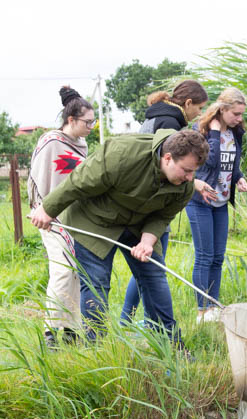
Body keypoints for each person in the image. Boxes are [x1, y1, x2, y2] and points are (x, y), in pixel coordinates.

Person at [29, 129, 209, 348]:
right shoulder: (124, 153)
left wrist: (147, 242)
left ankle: (169, 344)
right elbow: (78, 181)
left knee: (154, 277)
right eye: (186, 170)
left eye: (193, 173)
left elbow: (163, 216)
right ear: (168, 158)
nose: (190, 178)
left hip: (137, 225)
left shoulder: (184, 186)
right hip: (94, 219)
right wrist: (47, 209)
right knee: (96, 283)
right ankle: (98, 348)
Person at [121, 80, 216, 325]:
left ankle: (135, 319)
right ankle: (138, 320)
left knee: (147, 262)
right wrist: (193, 183)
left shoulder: (158, 115)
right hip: (154, 201)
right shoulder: (170, 124)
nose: (200, 113)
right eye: (199, 107)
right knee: (150, 263)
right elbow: (171, 166)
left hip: (144, 197)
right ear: (187, 103)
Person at [27, 86, 94, 348]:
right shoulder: (51, 142)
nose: (91, 126)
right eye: (87, 122)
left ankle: (70, 329)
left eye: (93, 121)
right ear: (71, 120)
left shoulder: (82, 144)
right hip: (50, 216)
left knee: (74, 273)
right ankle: (51, 331)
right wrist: (43, 209)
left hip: (75, 216)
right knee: (62, 271)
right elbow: (37, 177)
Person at [186, 87, 247, 322]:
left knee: (218, 257)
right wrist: (214, 133)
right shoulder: (200, 131)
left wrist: (238, 176)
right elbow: (210, 161)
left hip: (221, 201)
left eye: (241, 114)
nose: (239, 119)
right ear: (222, 110)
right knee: (204, 255)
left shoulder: (235, 132)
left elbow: (230, 161)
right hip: (200, 201)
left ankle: (213, 306)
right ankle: (201, 311)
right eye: (236, 114)